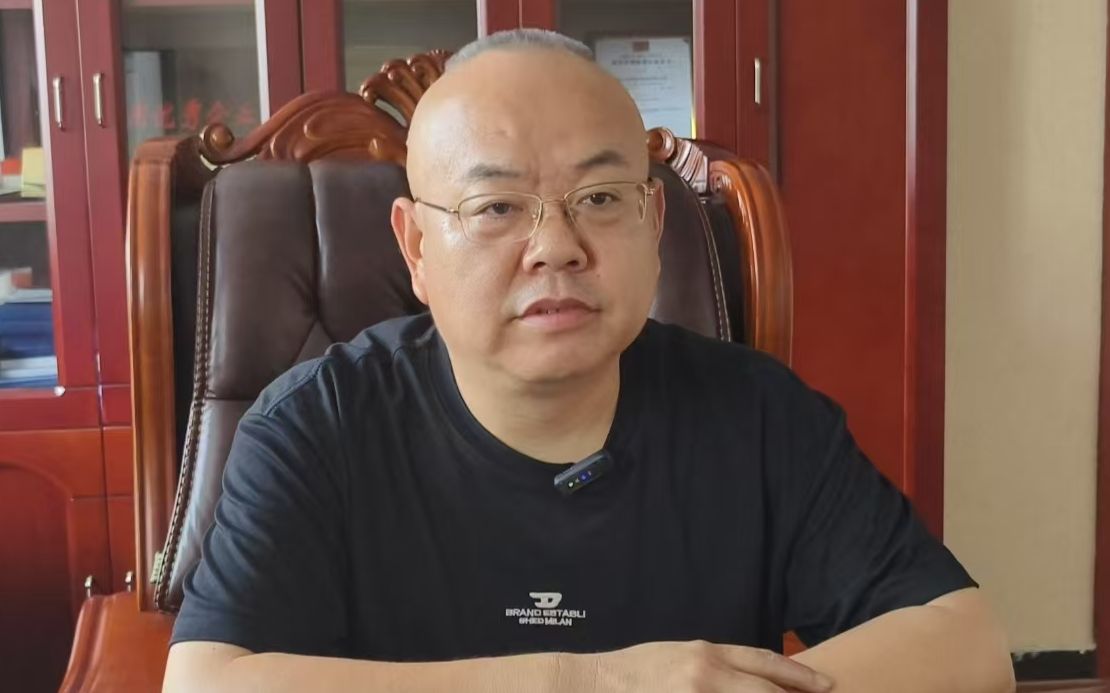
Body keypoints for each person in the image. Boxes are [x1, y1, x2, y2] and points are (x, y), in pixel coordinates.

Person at [163, 29, 1014, 693]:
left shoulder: (756, 414)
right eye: (497, 206)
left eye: (601, 198)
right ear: (416, 247)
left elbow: (966, 644)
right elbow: (206, 680)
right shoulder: (316, 424)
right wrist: (587, 679)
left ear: (653, 223)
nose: (556, 247)